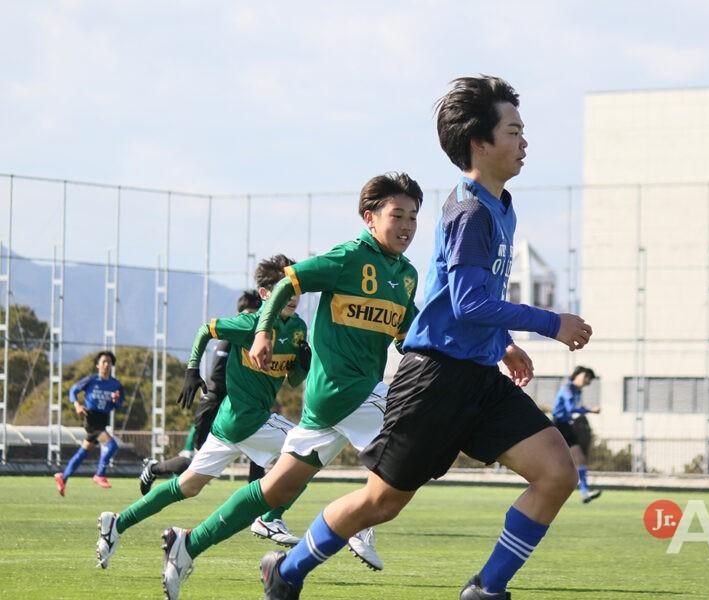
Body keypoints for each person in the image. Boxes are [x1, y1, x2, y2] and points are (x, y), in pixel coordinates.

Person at [258, 75, 592, 600]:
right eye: (514, 130)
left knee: (556, 472)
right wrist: (553, 323)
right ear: (479, 143)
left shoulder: (500, 205)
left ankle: (485, 589)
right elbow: (468, 303)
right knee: (381, 503)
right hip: (433, 380)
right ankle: (287, 570)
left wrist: (503, 341)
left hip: (479, 378)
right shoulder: (470, 211)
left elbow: (475, 297)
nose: (525, 141)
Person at [159, 172, 422, 600]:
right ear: (369, 217)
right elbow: (287, 282)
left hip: (333, 405)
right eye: (398, 215)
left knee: (274, 489)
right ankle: (361, 527)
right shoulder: (347, 258)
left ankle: (190, 544)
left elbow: (408, 330)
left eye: (413, 216)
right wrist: (263, 331)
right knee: (406, 453)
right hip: (345, 390)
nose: (407, 225)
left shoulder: (407, 274)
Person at [95, 255, 311, 573]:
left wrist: (302, 362)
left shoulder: (297, 329)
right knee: (308, 451)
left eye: (296, 287)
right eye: (285, 287)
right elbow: (206, 329)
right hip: (246, 419)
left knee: (187, 486)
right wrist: (192, 370)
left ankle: (117, 522)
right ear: (266, 294)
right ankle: (269, 519)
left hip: (231, 424)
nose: (293, 294)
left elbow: (292, 380)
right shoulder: (250, 324)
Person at [139, 289, 266, 495]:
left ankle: (258, 514)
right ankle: (153, 468)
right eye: (248, 314)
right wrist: (194, 372)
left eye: (256, 314)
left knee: (259, 457)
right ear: (239, 315)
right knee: (195, 469)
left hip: (243, 411)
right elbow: (217, 381)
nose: (252, 319)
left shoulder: (258, 343)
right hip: (217, 408)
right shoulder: (230, 340)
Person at [54, 351, 125, 495]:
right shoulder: (91, 380)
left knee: (83, 452)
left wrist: (115, 400)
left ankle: (63, 477)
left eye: (109, 362)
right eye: (104, 361)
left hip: (102, 420)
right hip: (91, 419)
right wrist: (77, 405)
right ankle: (99, 474)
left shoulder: (116, 384)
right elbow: (73, 390)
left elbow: (119, 406)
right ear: (98, 365)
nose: (106, 364)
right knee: (112, 445)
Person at [552, 366, 601, 503]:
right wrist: (591, 410)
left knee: (579, 459)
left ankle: (585, 492)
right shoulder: (567, 388)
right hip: (558, 425)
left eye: (589, 379)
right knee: (559, 462)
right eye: (585, 376)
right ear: (577, 375)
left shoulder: (578, 391)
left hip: (567, 426)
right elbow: (571, 408)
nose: (587, 380)